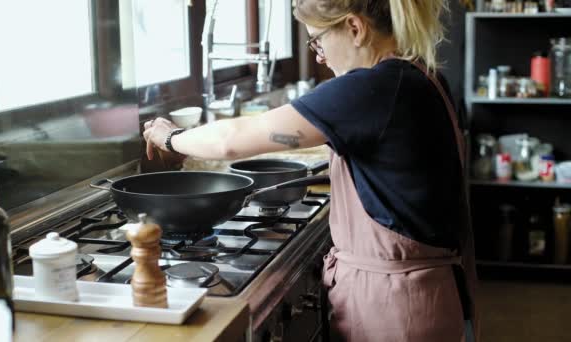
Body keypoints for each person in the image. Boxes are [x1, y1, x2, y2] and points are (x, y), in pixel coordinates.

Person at [143, 0, 478, 340]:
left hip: (394, 308)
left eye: (317, 40)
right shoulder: (418, 74)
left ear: (355, 29)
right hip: (421, 295)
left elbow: (231, 140)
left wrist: (169, 137)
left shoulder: (370, 89)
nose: (318, 56)